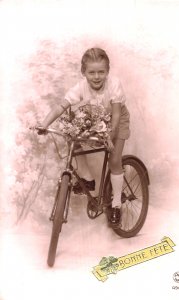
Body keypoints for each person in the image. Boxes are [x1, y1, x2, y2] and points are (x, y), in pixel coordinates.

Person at [38, 47, 130, 225]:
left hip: (118, 120)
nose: (97, 77)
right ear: (83, 72)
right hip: (96, 119)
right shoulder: (80, 87)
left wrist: (110, 136)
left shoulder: (114, 84)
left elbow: (117, 114)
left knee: (114, 160)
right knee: (74, 141)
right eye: (92, 72)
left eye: (101, 72)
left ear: (107, 72)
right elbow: (61, 106)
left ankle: (117, 205)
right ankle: (88, 180)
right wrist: (44, 124)